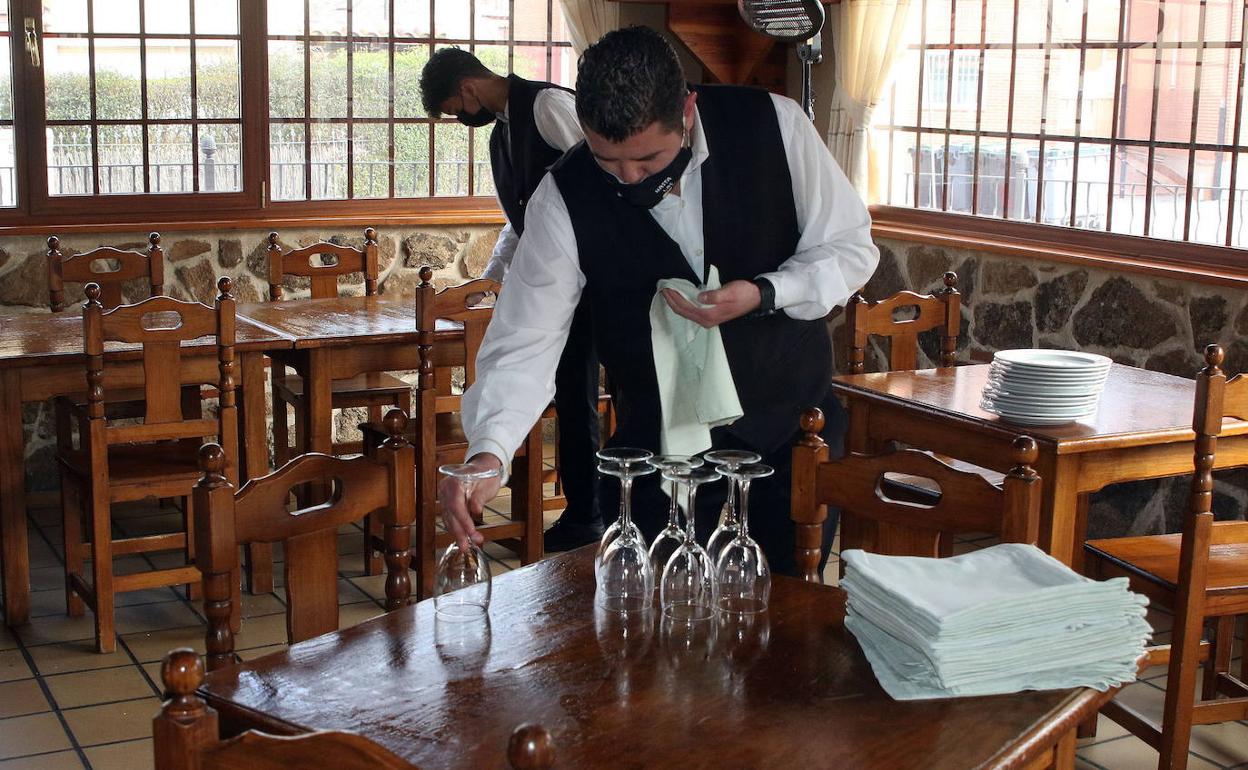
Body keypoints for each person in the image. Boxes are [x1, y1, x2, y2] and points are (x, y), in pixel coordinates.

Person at [439, 26, 879, 576]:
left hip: (788, 441)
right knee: (659, 636)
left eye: (646, 161)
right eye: (608, 162)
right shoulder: (565, 193)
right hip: (656, 454)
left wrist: (768, 292)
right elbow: (526, 337)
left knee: (779, 633)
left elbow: (850, 249)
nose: (627, 180)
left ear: (687, 111)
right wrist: (489, 450)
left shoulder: (775, 125)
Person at [420, 48, 605, 551]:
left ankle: (592, 515)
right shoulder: (504, 134)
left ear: (467, 89)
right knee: (568, 398)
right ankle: (585, 514)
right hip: (553, 282)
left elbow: (598, 178)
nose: (461, 119)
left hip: (593, 280)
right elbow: (525, 221)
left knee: (580, 399)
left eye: (455, 109)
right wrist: (490, 281)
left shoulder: (546, 107)